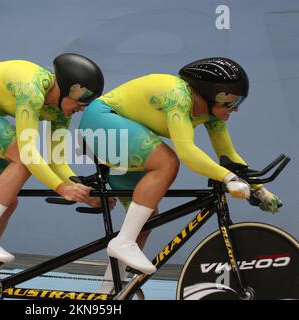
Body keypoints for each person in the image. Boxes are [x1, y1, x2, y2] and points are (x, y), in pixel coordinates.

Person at [78, 57, 282, 292]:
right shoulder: (178, 96)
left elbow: (229, 156)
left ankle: (106, 293)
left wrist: (259, 189)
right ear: (210, 93)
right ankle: (122, 243)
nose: (235, 108)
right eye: (231, 100)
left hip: (121, 130)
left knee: (146, 217)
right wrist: (228, 179)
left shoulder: (212, 116)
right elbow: (187, 151)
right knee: (167, 162)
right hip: (101, 120)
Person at [0, 53, 115, 263]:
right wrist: (62, 188)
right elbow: (28, 153)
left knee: (8, 200)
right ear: (66, 89)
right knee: (23, 158)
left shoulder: (59, 112)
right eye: (82, 101)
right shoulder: (31, 89)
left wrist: (84, 193)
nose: (83, 108)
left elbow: (57, 163)